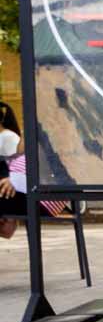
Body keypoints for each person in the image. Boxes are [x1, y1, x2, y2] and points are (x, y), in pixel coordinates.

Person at [0, 102, 68, 238]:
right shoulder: (37, 133)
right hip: (27, 191)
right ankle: (5, 223)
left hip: (39, 198)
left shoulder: (53, 135)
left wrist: (15, 180)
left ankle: (6, 223)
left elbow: (51, 171)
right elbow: (22, 156)